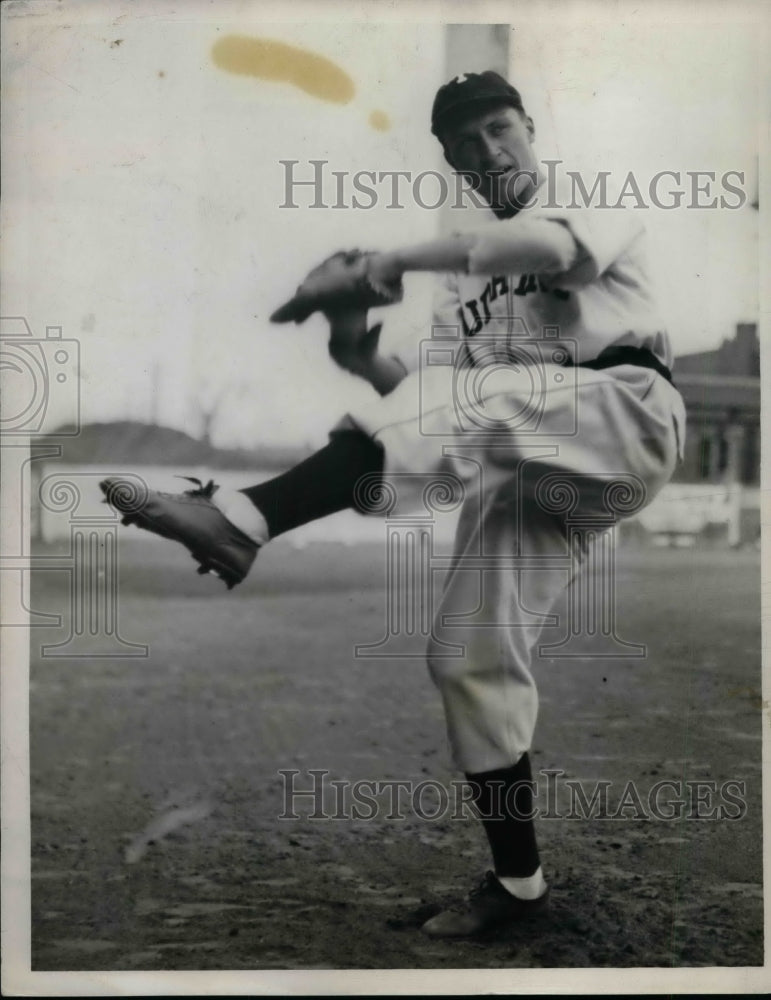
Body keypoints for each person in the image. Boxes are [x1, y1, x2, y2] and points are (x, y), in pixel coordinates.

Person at [102, 70, 686, 939]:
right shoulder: (459, 296)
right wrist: (349, 339)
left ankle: (241, 521)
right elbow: (420, 396)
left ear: (529, 126)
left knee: (476, 406)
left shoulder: (587, 198)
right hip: (529, 456)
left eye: (500, 129)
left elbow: (542, 252)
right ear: (450, 158)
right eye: (466, 143)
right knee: (466, 656)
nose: (490, 152)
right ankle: (518, 886)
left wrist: (385, 262)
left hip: (622, 413)